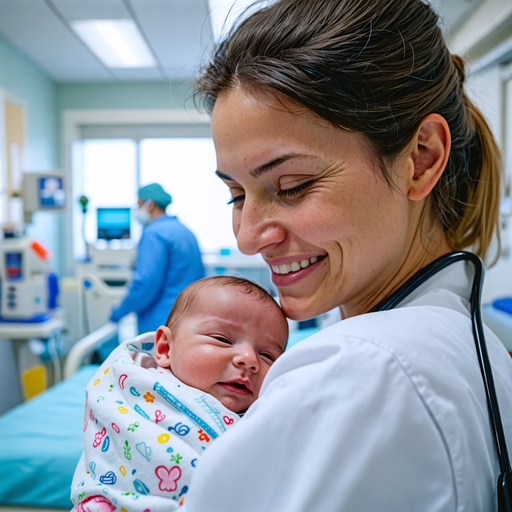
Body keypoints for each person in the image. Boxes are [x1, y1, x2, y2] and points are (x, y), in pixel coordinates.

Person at [181, 1, 512, 511]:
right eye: (237, 195)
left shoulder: (361, 370)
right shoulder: (475, 344)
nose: (248, 238)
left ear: (421, 158)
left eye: (292, 186)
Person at [71, 276, 289, 512]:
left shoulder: (266, 414)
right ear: (165, 348)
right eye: (222, 339)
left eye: (268, 356)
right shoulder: (136, 387)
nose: (250, 360)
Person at [110, 183, 205, 334]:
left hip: (161, 320)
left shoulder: (154, 234)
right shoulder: (185, 231)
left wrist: (118, 313)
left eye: (138, 205)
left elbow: (144, 284)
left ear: (150, 205)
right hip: (189, 318)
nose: (137, 210)